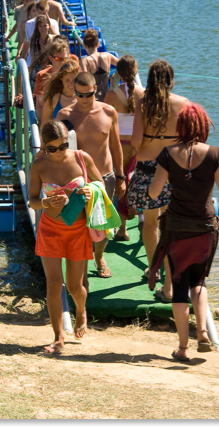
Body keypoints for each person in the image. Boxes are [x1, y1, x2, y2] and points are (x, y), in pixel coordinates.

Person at [148, 103, 219, 361]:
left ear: (180, 126)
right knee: (199, 282)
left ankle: (183, 348)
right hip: (206, 228)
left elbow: (154, 192)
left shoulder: (167, 153)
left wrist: (168, 183)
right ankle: (202, 332)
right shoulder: (216, 154)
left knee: (178, 286)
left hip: (176, 228)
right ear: (203, 126)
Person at [29, 120, 104, 353]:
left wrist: (90, 189)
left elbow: (100, 182)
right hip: (50, 228)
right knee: (54, 284)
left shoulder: (82, 157)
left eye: (63, 146)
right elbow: (32, 200)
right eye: (52, 148)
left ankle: (81, 310)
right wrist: (46, 202)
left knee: (74, 287)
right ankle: (58, 337)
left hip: (78, 229)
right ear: (43, 145)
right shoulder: (39, 164)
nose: (59, 152)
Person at [57, 71, 125, 279]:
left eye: (89, 94)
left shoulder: (109, 112)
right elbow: (58, 152)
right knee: (77, 225)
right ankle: (80, 267)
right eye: (80, 95)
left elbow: (116, 145)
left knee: (100, 226)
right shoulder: (65, 115)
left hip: (104, 178)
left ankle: (99, 257)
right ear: (73, 91)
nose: (85, 99)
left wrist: (121, 177)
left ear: (96, 89)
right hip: (76, 181)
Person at [129, 59, 189, 295]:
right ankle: (169, 280)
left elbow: (135, 141)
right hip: (174, 169)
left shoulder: (143, 104)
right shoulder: (183, 103)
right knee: (170, 226)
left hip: (147, 170)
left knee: (150, 223)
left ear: (151, 81)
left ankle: (154, 267)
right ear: (171, 81)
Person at [104, 55, 144, 241]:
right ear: (136, 71)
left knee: (120, 182)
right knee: (135, 181)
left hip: (117, 145)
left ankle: (122, 229)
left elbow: (103, 120)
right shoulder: (144, 94)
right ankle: (141, 215)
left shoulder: (112, 95)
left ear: (118, 72)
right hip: (138, 145)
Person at [33, 40, 71, 121]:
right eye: (58, 59)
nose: (62, 62)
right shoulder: (42, 75)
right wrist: (43, 123)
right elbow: (40, 104)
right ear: (51, 58)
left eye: (65, 58)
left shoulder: (73, 75)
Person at [79, 29, 119, 102]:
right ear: (98, 44)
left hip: (93, 100)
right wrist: (114, 77)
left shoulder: (84, 61)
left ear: (85, 46)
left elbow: (84, 83)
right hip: (108, 98)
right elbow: (123, 64)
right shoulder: (108, 56)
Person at [41, 61, 79, 126]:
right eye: (67, 80)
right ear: (61, 78)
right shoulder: (53, 98)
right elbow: (44, 124)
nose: (71, 84)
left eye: (74, 80)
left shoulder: (83, 97)